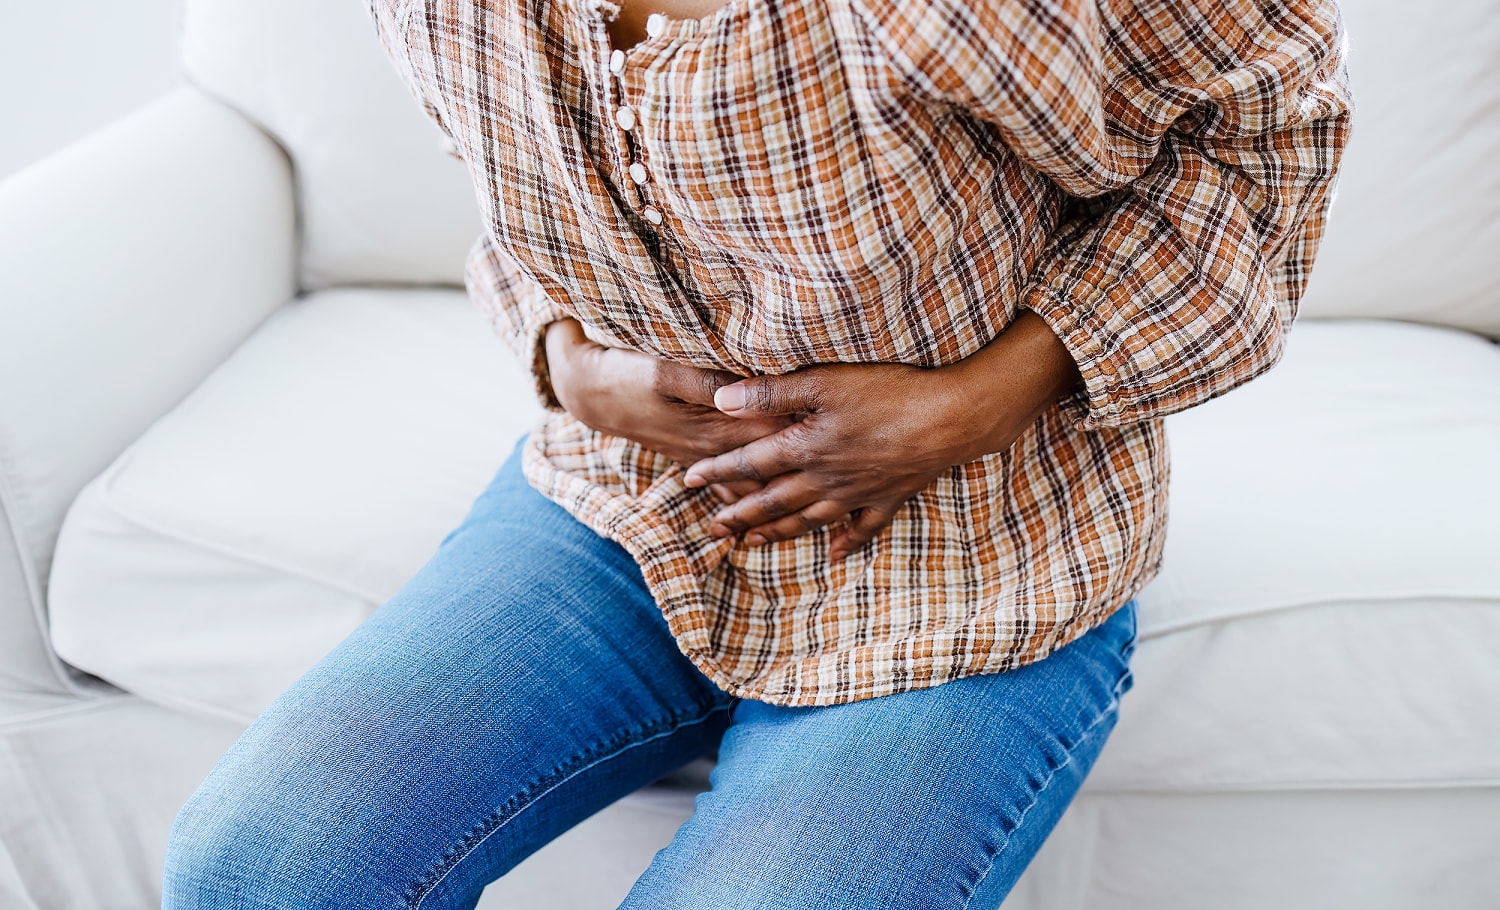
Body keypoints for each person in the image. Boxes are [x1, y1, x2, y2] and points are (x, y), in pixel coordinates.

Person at [161, 0, 1351, 906]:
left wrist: (985, 397)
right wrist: (563, 357)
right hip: (626, 510)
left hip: (982, 558)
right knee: (256, 869)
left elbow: (1262, 129)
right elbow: (512, 185)